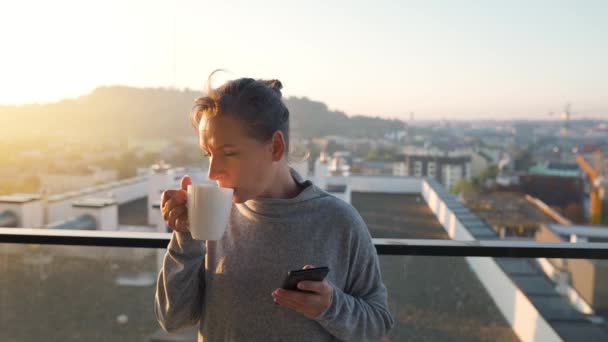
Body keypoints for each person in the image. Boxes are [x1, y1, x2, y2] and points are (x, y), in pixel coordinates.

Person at [154, 72, 395, 341]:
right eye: (208, 154)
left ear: (276, 147)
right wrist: (185, 236)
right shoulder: (212, 216)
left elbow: (378, 324)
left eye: (229, 153)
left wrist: (330, 306)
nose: (213, 172)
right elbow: (173, 320)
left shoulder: (339, 221)